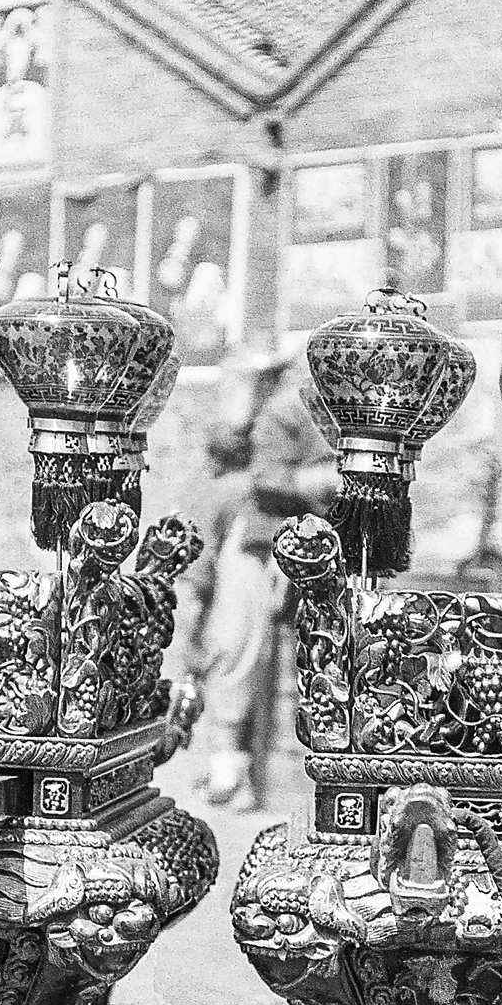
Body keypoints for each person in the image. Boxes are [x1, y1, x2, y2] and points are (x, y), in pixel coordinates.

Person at [190, 339, 337, 813]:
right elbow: (258, 476)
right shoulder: (275, 415)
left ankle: (277, 771)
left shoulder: (326, 416)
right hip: (260, 538)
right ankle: (225, 758)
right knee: (238, 641)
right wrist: (312, 482)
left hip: (315, 543)